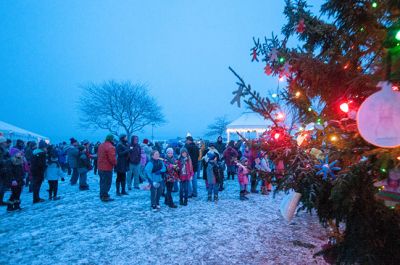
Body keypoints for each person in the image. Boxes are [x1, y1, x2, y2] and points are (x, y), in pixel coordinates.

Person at [97, 134, 117, 202]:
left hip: (100, 167)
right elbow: (112, 158)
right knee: (107, 182)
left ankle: (102, 194)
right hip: (107, 167)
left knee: (102, 182)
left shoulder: (101, 145)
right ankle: (105, 196)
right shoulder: (111, 147)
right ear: (111, 139)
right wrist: (115, 164)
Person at [0, 136, 11, 206]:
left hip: (4, 169)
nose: (5, 143)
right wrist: (8, 161)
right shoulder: (1, 150)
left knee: (3, 186)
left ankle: (1, 200)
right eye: (4, 142)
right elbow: (1, 161)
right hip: (2, 170)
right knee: (1, 186)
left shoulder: (3, 149)